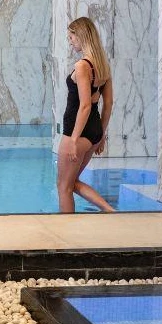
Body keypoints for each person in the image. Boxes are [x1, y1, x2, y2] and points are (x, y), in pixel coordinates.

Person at [56, 17, 116, 213]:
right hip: (94, 130)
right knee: (71, 183)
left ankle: (65, 236)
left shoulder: (82, 65)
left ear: (81, 36)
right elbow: (108, 104)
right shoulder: (102, 65)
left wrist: (73, 139)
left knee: (63, 187)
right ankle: (110, 211)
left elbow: (84, 106)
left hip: (77, 131)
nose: (70, 41)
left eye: (71, 37)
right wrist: (101, 135)